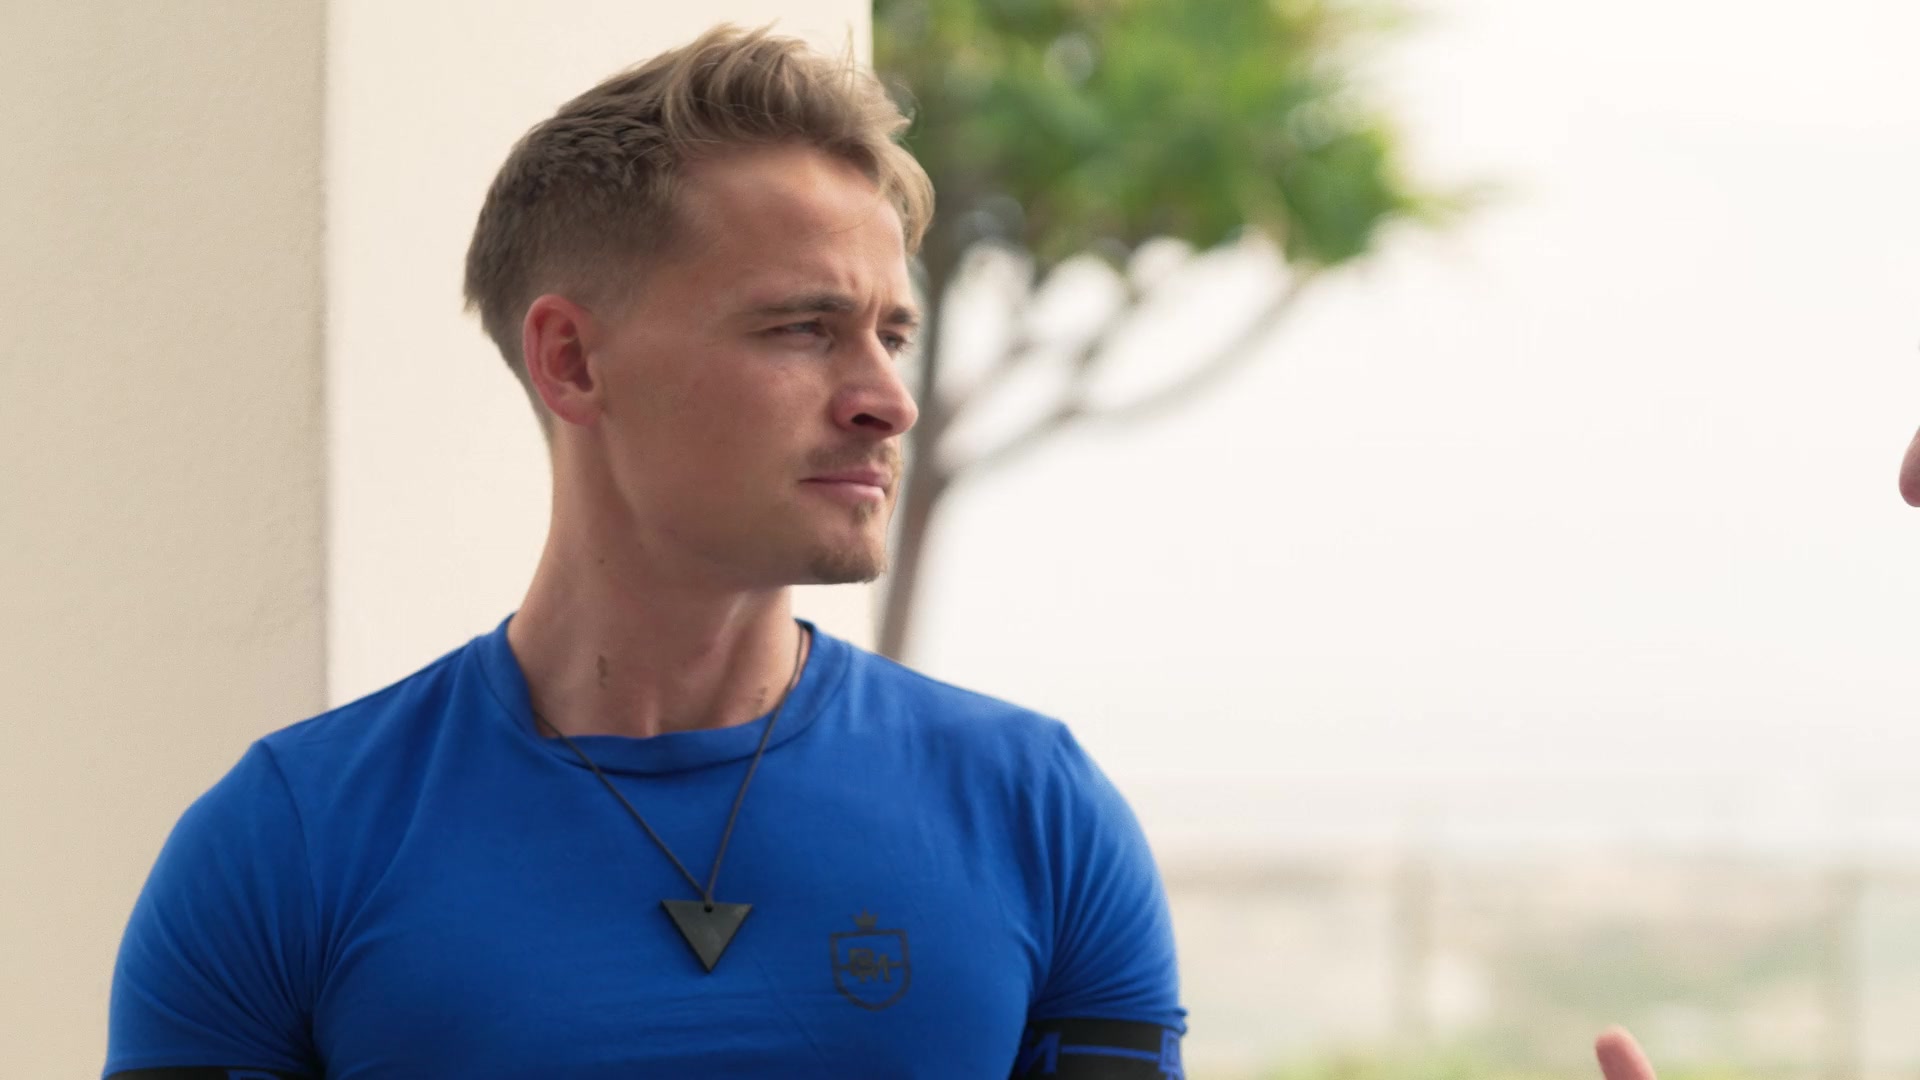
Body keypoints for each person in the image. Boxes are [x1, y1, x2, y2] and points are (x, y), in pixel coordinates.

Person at [103, 26, 1183, 1080]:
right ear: (572, 360)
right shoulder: (287, 844)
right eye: (802, 328)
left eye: (891, 335)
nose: (886, 401)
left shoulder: (1038, 816)